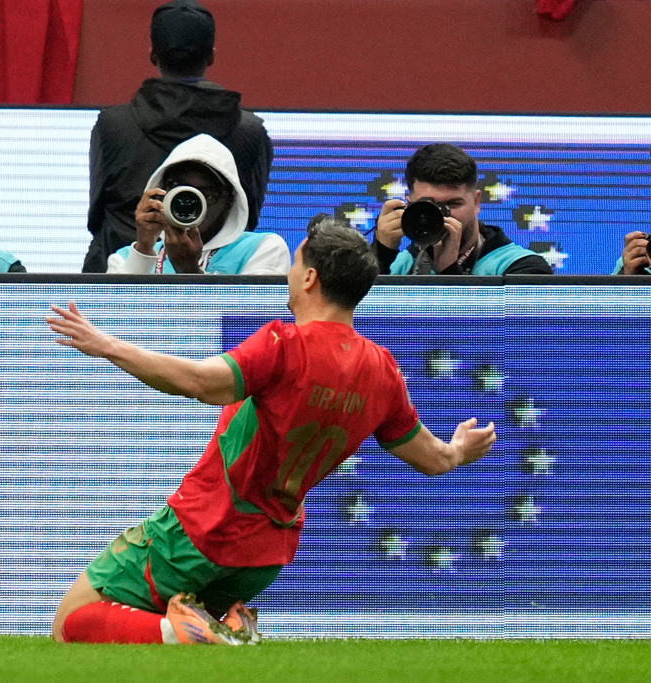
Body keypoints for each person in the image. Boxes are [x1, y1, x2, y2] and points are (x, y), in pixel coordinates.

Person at [46, 215, 497, 645]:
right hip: (267, 554)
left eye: (296, 263)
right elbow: (435, 459)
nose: (289, 273)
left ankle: (188, 632)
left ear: (310, 278)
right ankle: (225, 627)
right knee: (171, 642)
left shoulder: (285, 343)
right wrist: (460, 448)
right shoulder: (382, 369)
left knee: (74, 620)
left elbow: (201, 384)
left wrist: (106, 344)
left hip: (204, 529)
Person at [81, 0, 273, 273]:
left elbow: (97, 216)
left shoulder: (113, 125)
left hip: (119, 283)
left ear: (152, 54)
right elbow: (247, 217)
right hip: (166, 270)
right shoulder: (250, 131)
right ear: (211, 56)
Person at [107, 134, 290, 275]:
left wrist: (189, 270)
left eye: (207, 193)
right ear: (160, 191)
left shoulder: (262, 249)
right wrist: (144, 250)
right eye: (179, 188)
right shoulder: (125, 259)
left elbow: (250, 323)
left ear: (230, 202)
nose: (191, 200)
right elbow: (113, 320)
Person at [373, 143, 553, 276]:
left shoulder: (525, 267)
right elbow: (356, 319)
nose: (442, 215)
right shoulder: (401, 264)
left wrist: (448, 271)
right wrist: (381, 253)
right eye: (429, 204)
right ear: (410, 204)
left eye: (453, 204)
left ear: (476, 202)